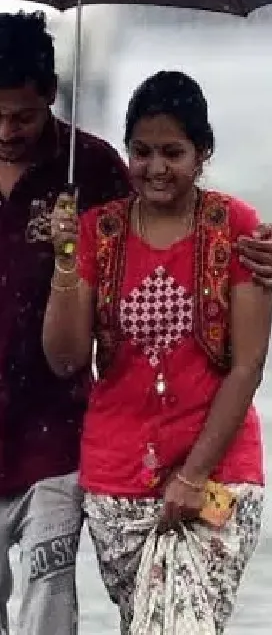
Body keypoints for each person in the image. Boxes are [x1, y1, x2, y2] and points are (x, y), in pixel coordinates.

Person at [0, 11, 272, 635]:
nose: (5, 130)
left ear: (52, 97)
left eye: (23, 116)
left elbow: (170, 229)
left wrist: (253, 254)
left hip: (59, 440)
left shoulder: (89, 170)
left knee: (50, 617)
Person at [44, 70, 270, 633]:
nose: (156, 168)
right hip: (118, 482)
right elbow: (67, 358)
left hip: (217, 478)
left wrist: (192, 477)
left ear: (203, 153)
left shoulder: (236, 229)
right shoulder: (99, 231)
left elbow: (248, 367)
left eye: (174, 152)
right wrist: (66, 261)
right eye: (141, 152)